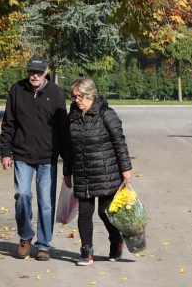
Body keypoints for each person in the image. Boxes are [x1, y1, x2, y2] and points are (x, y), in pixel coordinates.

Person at [1, 55, 70, 261]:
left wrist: (67, 161)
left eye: (39, 72)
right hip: (22, 154)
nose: (35, 75)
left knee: (46, 202)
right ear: (27, 72)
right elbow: (8, 123)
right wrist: (5, 152)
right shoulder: (16, 90)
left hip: (48, 157)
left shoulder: (56, 93)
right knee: (22, 195)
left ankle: (43, 245)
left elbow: (63, 130)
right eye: (31, 71)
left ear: (46, 72)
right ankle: (25, 236)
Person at [63, 78, 133, 266]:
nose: (77, 100)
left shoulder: (106, 114)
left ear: (91, 94)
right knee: (84, 212)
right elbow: (69, 147)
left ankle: (116, 240)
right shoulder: (73, 115)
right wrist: (67, 172)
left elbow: (120, 143)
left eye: (81, 96)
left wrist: (126, 169)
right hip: (82, 172)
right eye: (74, 96)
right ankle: (86, 251)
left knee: (105, 211)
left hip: (106, 171)